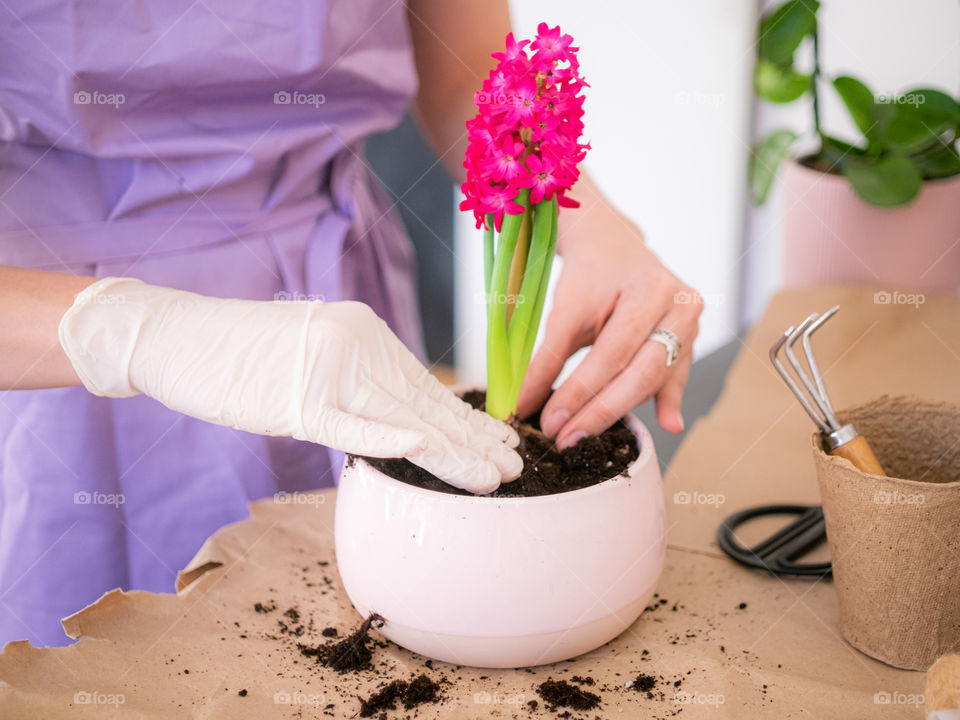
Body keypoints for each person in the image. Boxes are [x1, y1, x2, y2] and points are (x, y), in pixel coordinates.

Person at [0, 0, 702, 647]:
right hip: (54, 347)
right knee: (113, 654)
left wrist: (596, 227)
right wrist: (134, 332)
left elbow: (468, 68)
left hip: (335, 308)